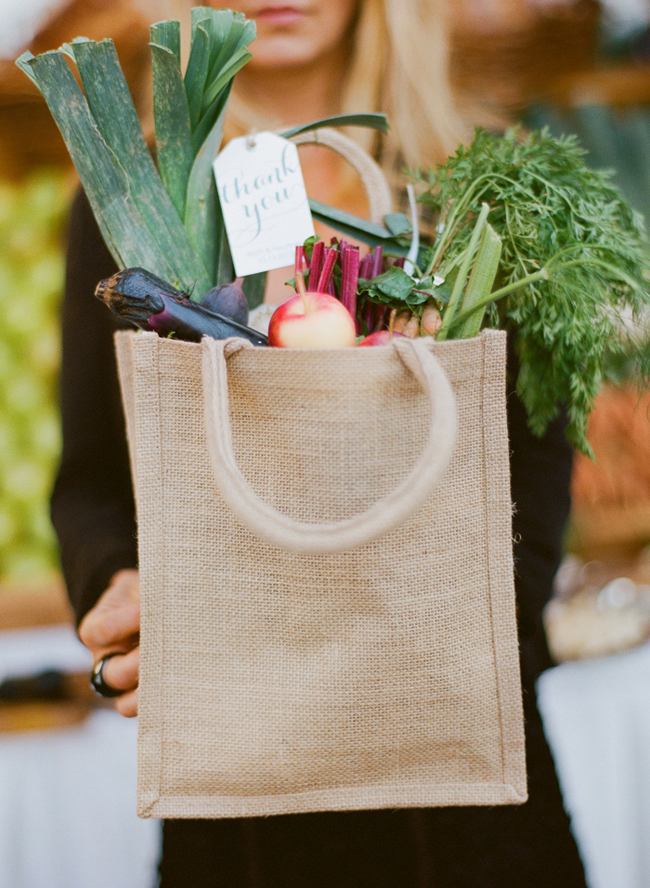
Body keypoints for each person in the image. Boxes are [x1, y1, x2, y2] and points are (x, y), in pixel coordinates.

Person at [51, 1, 589, 885]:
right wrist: (121, 594)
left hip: (466, 776)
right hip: (246, 788)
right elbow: (92, 486)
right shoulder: (135, 201)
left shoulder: (482, 184)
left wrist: (455, 636)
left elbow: (533, 465)